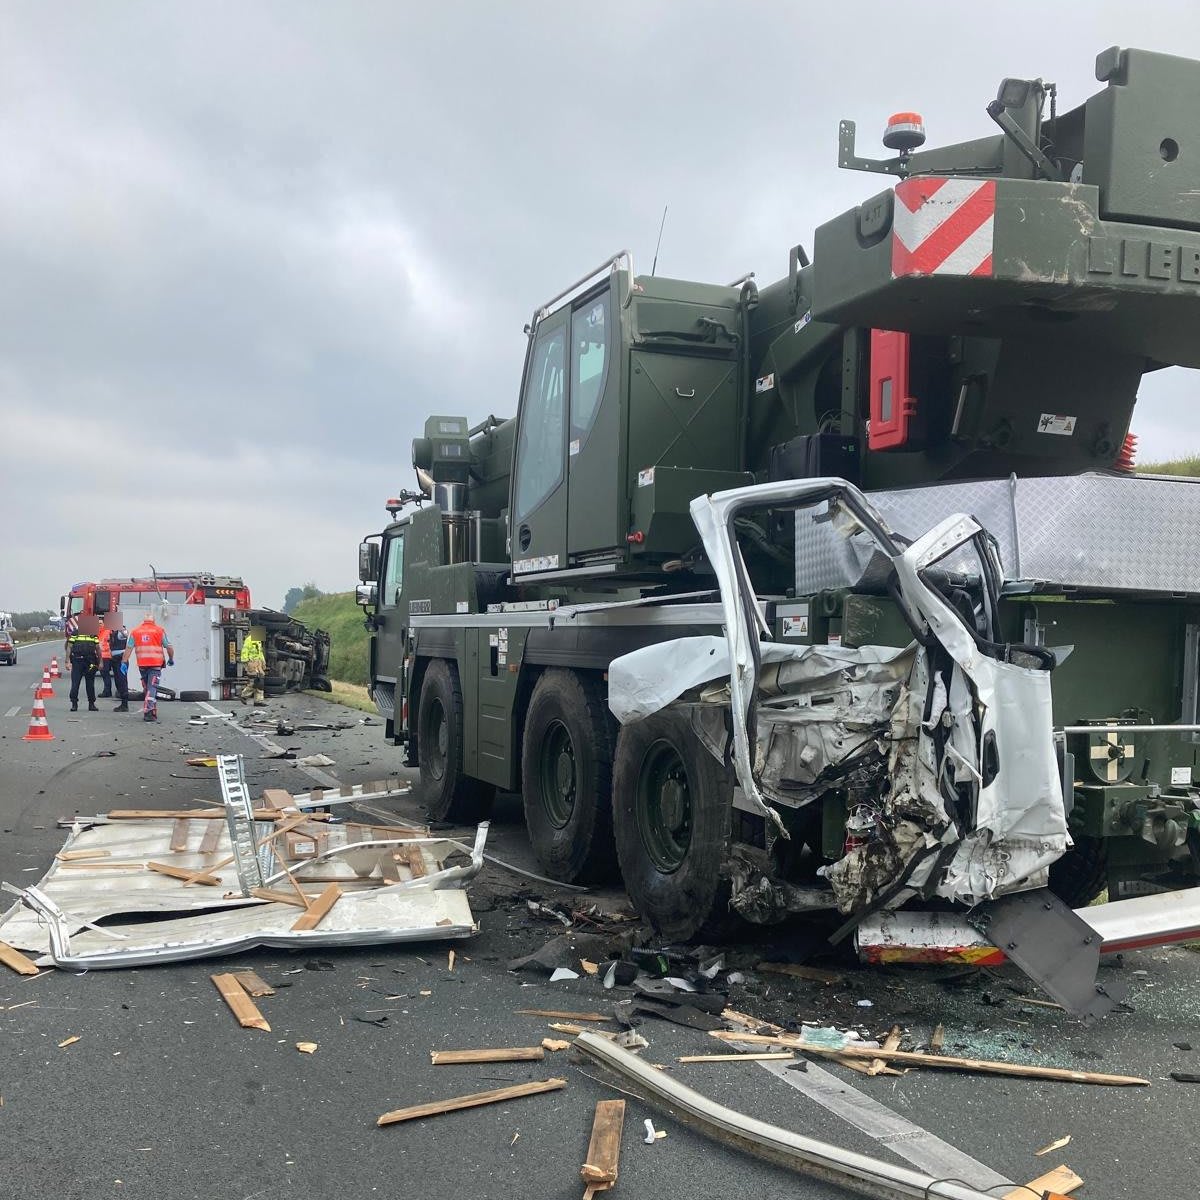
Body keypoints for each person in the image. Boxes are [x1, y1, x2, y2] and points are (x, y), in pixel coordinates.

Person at [123, 614, 174, 722]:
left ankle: (152, 711)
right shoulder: (159, 631)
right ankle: (148, 711)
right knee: (152, 687)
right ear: (153, 621)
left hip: (142, 664)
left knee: (148, 688)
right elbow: (169, 646)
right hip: (155, 664)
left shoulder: (135, 631)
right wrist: (171, 658)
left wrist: (124, 662)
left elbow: (129, 648)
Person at [67, 622, 101, 712]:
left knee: (90, 685)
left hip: (90, 662)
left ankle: (91, 704)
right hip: (77, 661)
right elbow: (69, 647)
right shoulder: (75, 634)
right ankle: (74, 704)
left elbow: (98, 648)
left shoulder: (93, 635)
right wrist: (67, 661)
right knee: (75, 684)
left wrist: (100, 662)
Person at [239, 630, 267, 706]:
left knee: (260, 682)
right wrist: (246, 662)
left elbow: (260, 652)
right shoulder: (248, 640)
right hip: (252, 662)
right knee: (255, 682)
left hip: (258, 663)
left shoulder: (258, 641)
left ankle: (258, 701)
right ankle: (244, 695)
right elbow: (245, 651)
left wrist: (263, 661)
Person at [108, 622, 130, 712]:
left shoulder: (121, 632)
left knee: (122, 680)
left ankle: (125, 704)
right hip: (114, 660)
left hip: (121, 660)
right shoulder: (112, 633)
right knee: (117, 681)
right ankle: (123, 702)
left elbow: (126, 635)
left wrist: (121, 628)